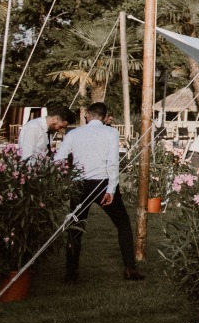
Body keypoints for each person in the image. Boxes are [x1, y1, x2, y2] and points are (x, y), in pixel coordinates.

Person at [54, 102, 142, 282]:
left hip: (80, 185)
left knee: (75, 228)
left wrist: (68, 177)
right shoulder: (111, 132)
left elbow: (59, 158)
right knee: (123, 224)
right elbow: (113, 163)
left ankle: (71, 273)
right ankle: (129, 269)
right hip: (102, 183)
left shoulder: (73, 133)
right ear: (104, 116)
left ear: (87, 114)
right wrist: (111, 189)